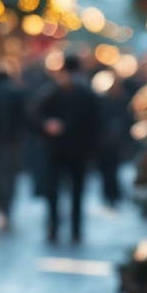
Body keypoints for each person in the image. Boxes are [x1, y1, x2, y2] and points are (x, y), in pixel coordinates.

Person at [35, 54, 98, 243]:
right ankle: (74, 228)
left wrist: (47, 126)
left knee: (56, 190)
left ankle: (56, 226)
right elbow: (95, 123)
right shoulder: (84, 93)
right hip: (72, 151)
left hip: (59, 150)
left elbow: (35, 114)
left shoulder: (53, 91)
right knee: (75, 191)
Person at [0, 60, 26, 228]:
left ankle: (2, 204)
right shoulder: (14, 92)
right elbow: (21, 118)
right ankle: (7, 204)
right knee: (9, 175)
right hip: (11, 141)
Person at [95, 70, 134, 208]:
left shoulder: (122, 99)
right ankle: (109, 195)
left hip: (116, 141)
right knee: (106, 170)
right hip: (104, 142)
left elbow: (127, 120)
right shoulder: (101, 101)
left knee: (114, 169)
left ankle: (114, 194)